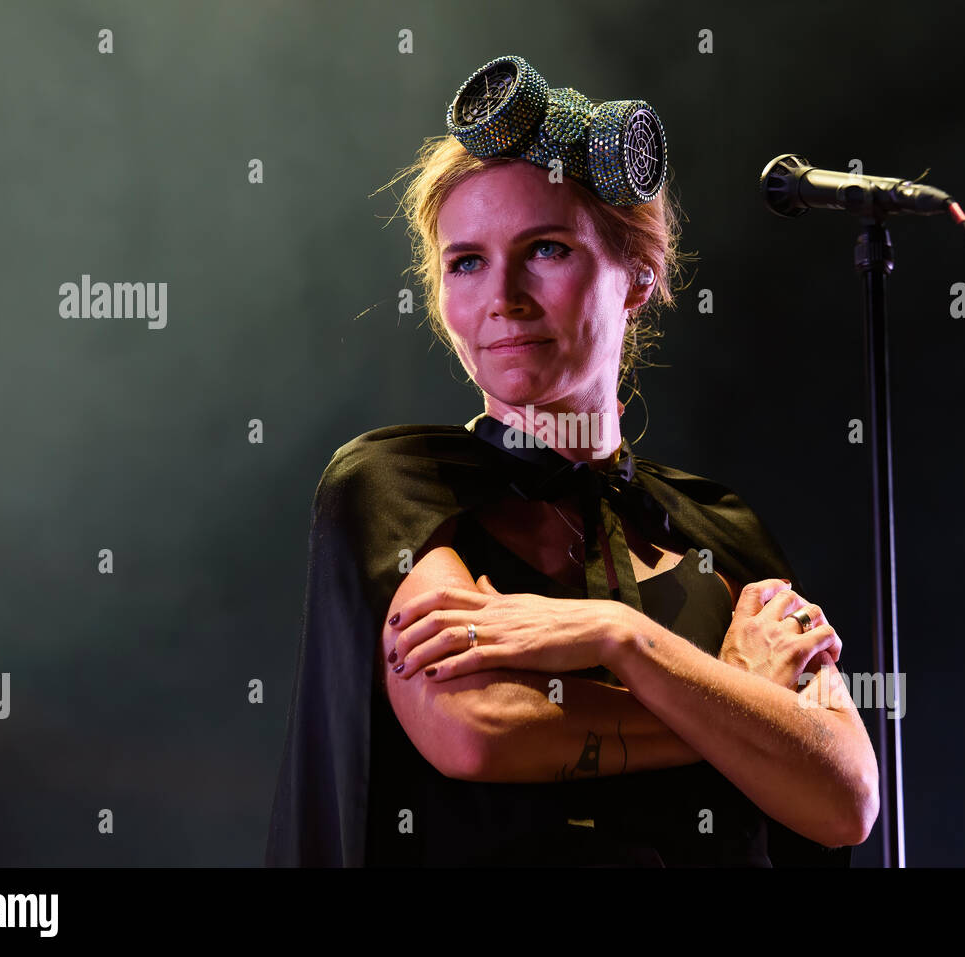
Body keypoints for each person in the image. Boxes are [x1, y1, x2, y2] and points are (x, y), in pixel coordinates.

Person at [266, 54, 878, 867]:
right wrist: (746, 711)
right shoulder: (395, 482)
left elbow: (846, 796)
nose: (503, 298)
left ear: (636, 277)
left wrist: (622, 635)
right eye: (467, 261)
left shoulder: (723, 532)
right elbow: (475, 727)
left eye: (547, 249)